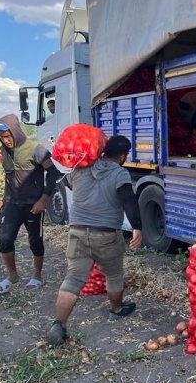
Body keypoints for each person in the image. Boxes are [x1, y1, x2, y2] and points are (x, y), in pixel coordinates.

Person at [47, 135, 143, 345]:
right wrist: (137, 227)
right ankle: (116, 310)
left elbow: (67, 182)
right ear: (123, 156)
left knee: (73, 278)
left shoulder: (81, 168)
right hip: (106, 235)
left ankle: (59, 323)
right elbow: (129, 200)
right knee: (115, 274)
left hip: (77, 232)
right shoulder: (120, 173)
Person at [0, 114, 60, 294]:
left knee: (35, 241)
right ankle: (12, 275)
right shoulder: (5, 151)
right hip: (13, 203)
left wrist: (44, 200)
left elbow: (53, 174)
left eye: (8, 136)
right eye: (2, 137)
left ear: (16, 132)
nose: (6, 141)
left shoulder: (36, 149)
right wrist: (4, 198)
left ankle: (37, 276)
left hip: (33, 205)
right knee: (5, 239)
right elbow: (9, 177)